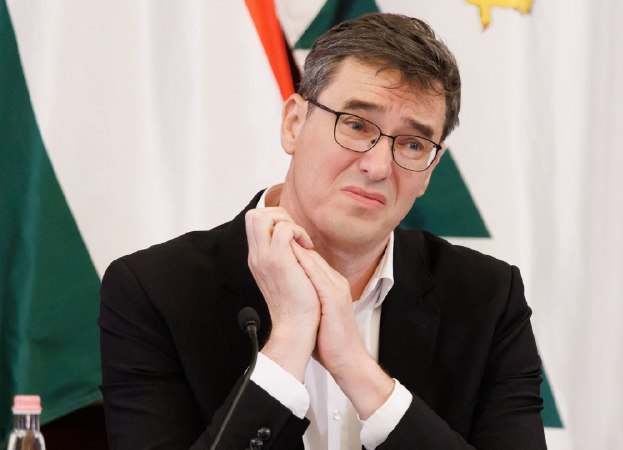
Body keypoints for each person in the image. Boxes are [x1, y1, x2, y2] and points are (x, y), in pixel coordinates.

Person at [99, 12, 547, 450]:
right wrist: (289, 340)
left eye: (412, 144)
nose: (377, 167)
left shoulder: (487, 298)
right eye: (356, 125)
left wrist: (357, 369)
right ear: (293, 123)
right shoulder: (155, 291)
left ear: (430, 168)